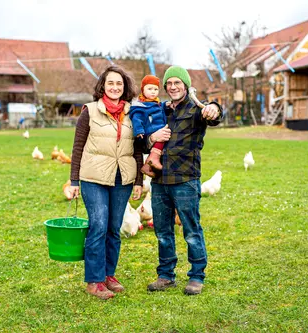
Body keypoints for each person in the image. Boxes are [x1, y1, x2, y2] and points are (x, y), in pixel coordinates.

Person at [69, 65, 143, 300]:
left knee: (114, 228)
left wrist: (139, 179)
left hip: (123, 177)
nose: (115, 87)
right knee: (98, 226)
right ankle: (94, 280)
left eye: (119, 84)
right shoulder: (89, 111)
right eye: (110, 83)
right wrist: (74, 180)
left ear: (125, 87)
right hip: (93, 177)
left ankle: (108, 275)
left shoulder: (134, 112)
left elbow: (138, 149)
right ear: (103, 85)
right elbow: (78, 146)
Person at [146, 66, 222, 295]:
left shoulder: (197, 109)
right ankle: (166, 275)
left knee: (190, 229)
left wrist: (215, 109)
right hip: (159, 180)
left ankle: (197, 276)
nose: (173, 87)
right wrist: (151, 137)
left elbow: (214, 113)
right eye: (169, 83)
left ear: (186, 85)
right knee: (162, 231)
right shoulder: (161, 110)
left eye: (177, 82)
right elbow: (144, 129)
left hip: (186, 179)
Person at [129, 75, 166, 178]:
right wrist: (139, 130)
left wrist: (166, 105)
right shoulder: (140, 105)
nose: (153, 92)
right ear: (143, 90)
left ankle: (148, 166)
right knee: (163, 137)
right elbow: (136, 118)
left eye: (156, 89)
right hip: (150, 129)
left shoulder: (157, 103)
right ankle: (153, 160)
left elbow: (160, 108)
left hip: (158, 128)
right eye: (149, 89)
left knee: (166, 136)